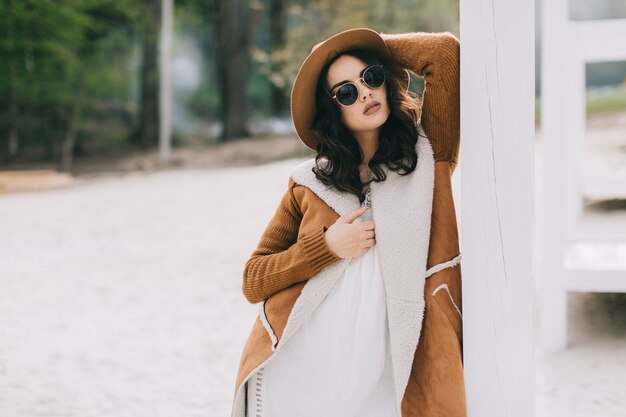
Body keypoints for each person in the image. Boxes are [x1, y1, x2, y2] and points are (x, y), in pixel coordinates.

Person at [229, 28, 465, 417]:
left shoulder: (426, 156)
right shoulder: (308, 183)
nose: (366, 93)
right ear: (332, 110)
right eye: (346, 92)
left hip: (391, 368)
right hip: (309, 368)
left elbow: (443, 54)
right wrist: (326, 248)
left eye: (371, 77)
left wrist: (353, 46)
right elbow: (253, 280)